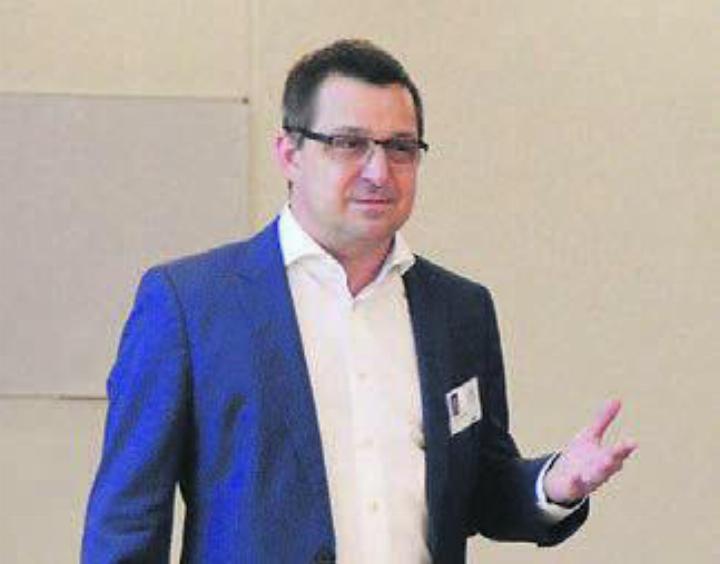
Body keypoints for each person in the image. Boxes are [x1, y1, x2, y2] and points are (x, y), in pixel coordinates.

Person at [82, 39, 636, 563]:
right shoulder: (192, 304)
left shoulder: (459, 311)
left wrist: (554, 484)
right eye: (348, 144)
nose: (378, 171)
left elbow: (480, 489)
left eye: (400, 148)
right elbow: (127, 525)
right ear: (289, 154)